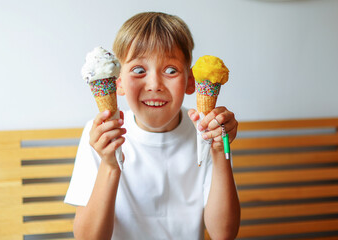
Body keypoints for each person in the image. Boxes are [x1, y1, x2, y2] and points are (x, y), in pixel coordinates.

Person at [64, 11, 240, 240]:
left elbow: (223, 234)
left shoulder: (207, 132)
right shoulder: (99, 135)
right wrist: (109, 165)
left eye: (170, 70)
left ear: (190, 82)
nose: (155, 84)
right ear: (118, 82)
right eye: (139, 70)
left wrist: (219, 152)